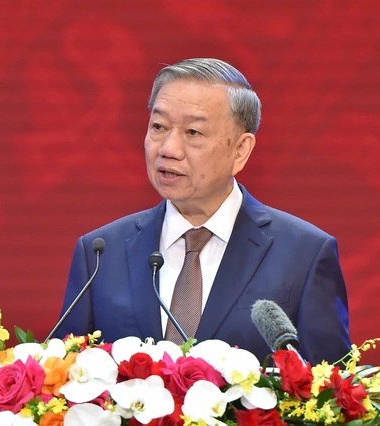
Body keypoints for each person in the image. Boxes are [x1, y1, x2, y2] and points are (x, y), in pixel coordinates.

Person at [54, 58, 351, 365]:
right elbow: (64, 374)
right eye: (158, 127)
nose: (168, 149)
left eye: (193, 132)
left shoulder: (304, 255)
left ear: (240, 150)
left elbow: (332, 384)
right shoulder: (101, 253)